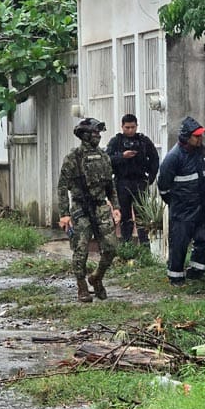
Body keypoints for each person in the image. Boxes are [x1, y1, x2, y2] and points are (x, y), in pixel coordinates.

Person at [58, 118, 122, 302]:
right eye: (95, 133)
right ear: (85, 135)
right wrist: (64, 214)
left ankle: (96, 277)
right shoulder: (73, 158)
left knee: (110, 248)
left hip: (100, 207)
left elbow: (110, 185)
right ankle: (82, 286)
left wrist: (115, 206)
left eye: (99, 133)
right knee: (81, 250)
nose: (98, 136)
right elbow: (62, 187)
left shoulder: (104, 157)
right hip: (81, 208)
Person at [157, 116, 205, 287]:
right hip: (183, 208)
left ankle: (196, 271)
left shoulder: (201, 151)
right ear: (186, 137)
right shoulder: (173, 157)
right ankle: (176, 277)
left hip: (202, 205)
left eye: (201, 136)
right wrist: (176, 203)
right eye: (196, 136)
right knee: (179, 242)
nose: (200, 139)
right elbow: (163, 186)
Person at [105, 114, 160, 246]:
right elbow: (106, 160)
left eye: (133, 127)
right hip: (122, 182)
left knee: (141, 215)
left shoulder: (143, 141)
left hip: (139, 182)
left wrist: (150, 179)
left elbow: (154, 159)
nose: (130, 130)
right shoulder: (116, 142)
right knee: (125, 216)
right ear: (122, 127)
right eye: (127, 127)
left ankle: (145, 246)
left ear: (137, 126)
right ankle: (127, 245)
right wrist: (122, 156)